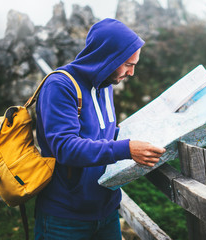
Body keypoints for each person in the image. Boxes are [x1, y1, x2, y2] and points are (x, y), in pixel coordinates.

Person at [34, 18, 166, 240]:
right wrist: (127, 149)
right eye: (128, 64)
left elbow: (103, 134)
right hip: (64, 218)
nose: (131, 73)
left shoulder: (106, 85)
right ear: (108, 58)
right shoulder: (60, 85)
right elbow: (65, 148)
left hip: (107, 212)